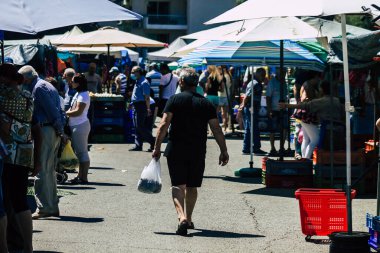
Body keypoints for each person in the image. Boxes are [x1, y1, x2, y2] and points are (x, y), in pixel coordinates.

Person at [152, 67, 229, 236]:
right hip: (197, 150)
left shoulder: (174, 99)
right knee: (192, 185)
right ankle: (189, 217)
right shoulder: (206, 103)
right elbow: (216, 129)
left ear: (181, 82)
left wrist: (157, 147)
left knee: (178, 184)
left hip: (176, 148)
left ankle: (181, 218)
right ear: (196, 84)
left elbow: (164, 124)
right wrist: (223, 151)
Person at [0, 64, 42, 252]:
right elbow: (36, 129)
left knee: (3, 203)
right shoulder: (27, 97)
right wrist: (38, 158)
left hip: (6, 154)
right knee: (20, 200)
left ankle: (7, 246)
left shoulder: (3, 96)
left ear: (5, 79)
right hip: (25, 154)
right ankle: (28, 246)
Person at [18, 65, 65, 219]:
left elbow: (52, 112)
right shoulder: (45, 85)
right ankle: (51, 206)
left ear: (26, 78)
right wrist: (60, 131)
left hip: (46, 130)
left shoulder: (38, 88)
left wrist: (59, 130)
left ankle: (45, 208)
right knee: (49, 170)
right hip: (51, 130)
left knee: (42, 169)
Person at [66, 74, 91, 184]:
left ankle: (83, 178)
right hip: (77, 125)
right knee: (80, 152)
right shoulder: (79, 93)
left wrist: (64, 113)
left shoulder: (83, 95)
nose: (71, 83)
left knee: (82, 152)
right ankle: (80, 176)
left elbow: (78, 112)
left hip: (80, 125)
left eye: (73, 81)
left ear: (78, 83)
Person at [239, 68, 267, 155]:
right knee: (254, 128)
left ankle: (246, 148)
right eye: (262, 75)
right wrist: (243, 105)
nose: (264, 77)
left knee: (249, 128)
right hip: (251, 107)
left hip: (250, 107)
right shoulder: (255, 84)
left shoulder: (254, 83)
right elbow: (247, 96)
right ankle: (256, 147)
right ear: (257, 74)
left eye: (264, 75)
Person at [129, 66, 155, 152]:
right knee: (137, 127)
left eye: (133, 72)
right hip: (136, 105)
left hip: (141, 106)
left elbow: (146, 97)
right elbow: (136, 95)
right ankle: (138, 145)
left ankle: (152, 141)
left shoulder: (144, 82)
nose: (132, 74)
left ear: (138, 72)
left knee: (140, 127)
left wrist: (148, 108)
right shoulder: (137, 81)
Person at [266, 68, 287, 156]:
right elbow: (268, 97)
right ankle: (272, 148)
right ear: (278, 73)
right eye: (283, 73)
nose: (284, 75)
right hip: (274, 109)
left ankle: (281, 147)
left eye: (285, 73)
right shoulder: (272, 82)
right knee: (272, 130)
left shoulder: (284, 83)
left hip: (283, 109)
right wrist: (269, 110)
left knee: (285, 128)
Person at [218, 66, 232, 132]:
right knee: (225, 113)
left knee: (217, 112)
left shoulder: (223, 76)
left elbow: (222, 88)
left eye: (220, 69)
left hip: (221, 96)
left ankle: (215, 129)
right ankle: (225, 128)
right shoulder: (229, 76)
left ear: (223, 69)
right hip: (227, 95)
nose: (219, 70)